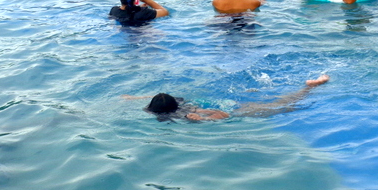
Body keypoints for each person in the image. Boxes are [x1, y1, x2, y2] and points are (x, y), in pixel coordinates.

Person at [124, 74, 330, 121]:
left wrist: (204, 121)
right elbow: (159, 96)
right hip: (223, 102)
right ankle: (307, 88)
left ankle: (309, 88)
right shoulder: (177, 102)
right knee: (276, 102)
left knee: (282, 107)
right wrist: (134, 97)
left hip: (228, 109)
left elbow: (222, 115)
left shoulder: (184, 115)